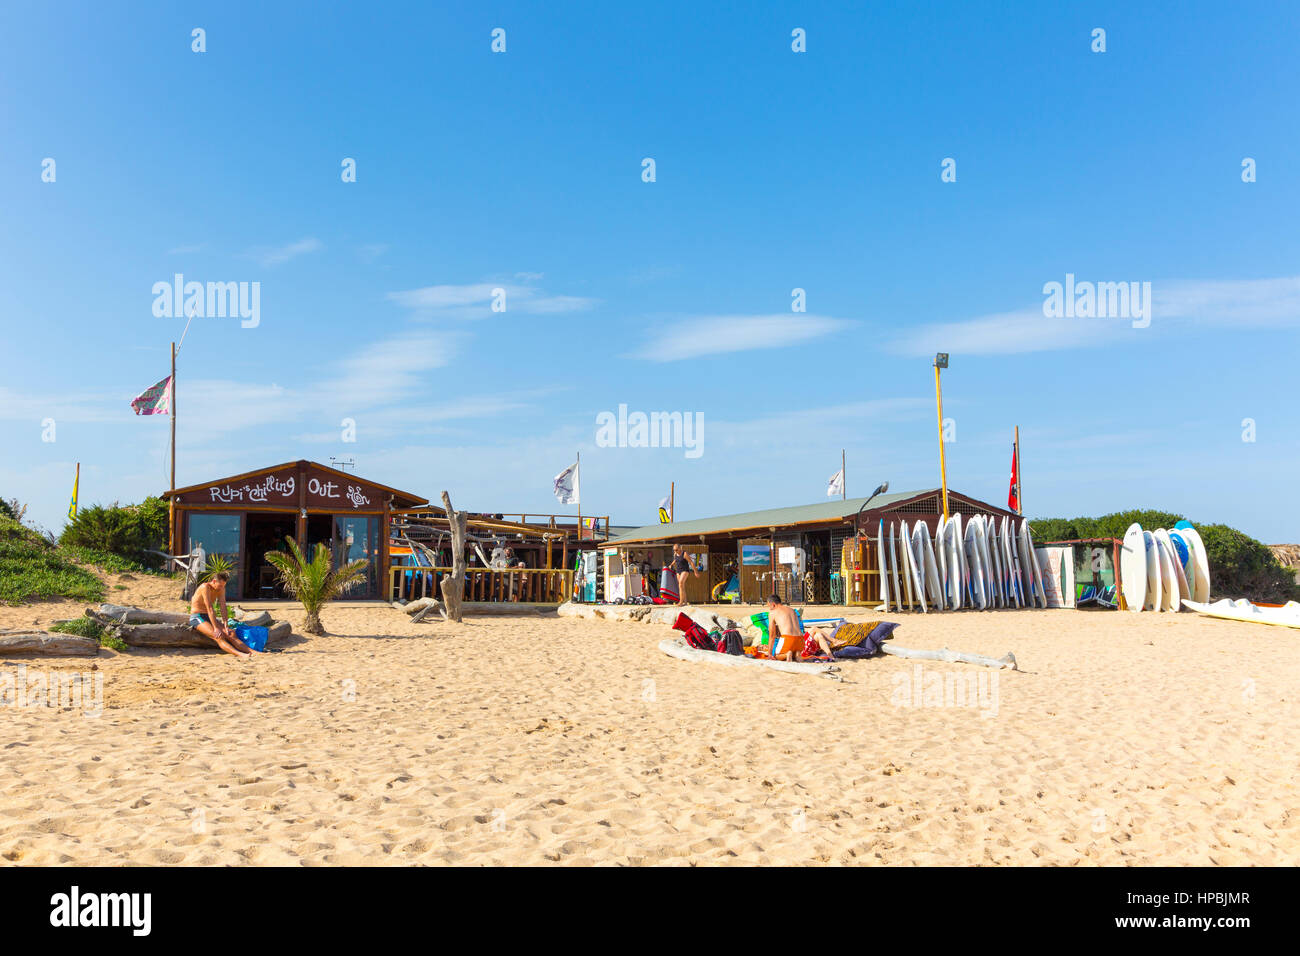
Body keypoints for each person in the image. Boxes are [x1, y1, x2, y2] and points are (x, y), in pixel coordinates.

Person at [189, 571, 255, 658]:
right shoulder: (205, 587)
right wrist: (216, 628)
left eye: (224, 585)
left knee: (230, 633)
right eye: (220, 585)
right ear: (213, 581)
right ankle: (241, 654)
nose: (222, 587)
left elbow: (223, 607)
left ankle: (253, 652)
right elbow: (210, 608)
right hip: (197, 617)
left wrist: (226, 625)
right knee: (218, 636)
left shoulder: (221, 589)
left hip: (208, 617)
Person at [765, 594, 833, 662]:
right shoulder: (792, 610)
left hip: (788, 639)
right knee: (794, 652)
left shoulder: (772, 613)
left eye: (769, 606)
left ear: (773, 604)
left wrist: (770, 654)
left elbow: (772, 635)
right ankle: (797, 654)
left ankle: (787, 654)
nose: (769, 609)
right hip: (801, 640)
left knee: (776, 656)